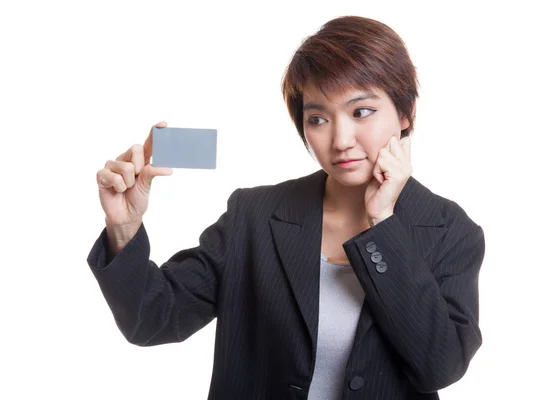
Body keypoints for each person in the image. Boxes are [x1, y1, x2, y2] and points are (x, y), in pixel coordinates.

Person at [88, 15, 485, 400]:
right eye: (318, 119)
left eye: (361, 111)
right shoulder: (255, 214)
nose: (341, 139)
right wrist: (123, 228)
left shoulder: (450, 230)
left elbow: (440, 367)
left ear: (405, 113)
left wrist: (382, 222)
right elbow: (153, 319)